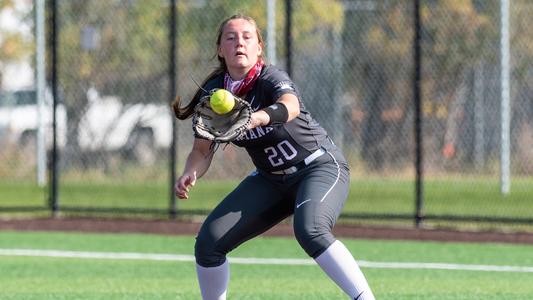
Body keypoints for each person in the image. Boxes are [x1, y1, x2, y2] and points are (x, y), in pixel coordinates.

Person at [173, 14, 375, 300]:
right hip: (270, 180)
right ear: (220, 49)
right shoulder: (216, 94)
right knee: (208, 243)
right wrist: (190, 173)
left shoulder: (270, 78)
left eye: (247, 37)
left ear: (259, 47)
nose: (239, 43)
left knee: (310, 230)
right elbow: (201, 151)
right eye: (230, 38)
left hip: (318, 167)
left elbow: (289, 107)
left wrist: (256, 118)